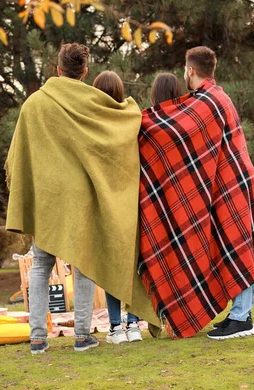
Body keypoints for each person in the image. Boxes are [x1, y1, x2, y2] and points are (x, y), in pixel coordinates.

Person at [5, 43, 159, 354]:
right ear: (84, 71)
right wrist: (132, 108)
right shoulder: (90, 102)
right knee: (85, 263)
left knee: (40, 266)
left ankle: (37, 338)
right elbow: (116, 128)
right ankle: (82, 337)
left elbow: (17, 155)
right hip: (78, 199)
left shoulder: (33, 105)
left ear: (57, 69)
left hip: (46, 198)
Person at [136, 46, 254, 340]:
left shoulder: (208, 100)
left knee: (236, 246)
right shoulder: (213, 97)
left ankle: (242, 318)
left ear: (190, 70)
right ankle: (239, 314)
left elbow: (174, 129)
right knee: (232, 247)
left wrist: (139, 123)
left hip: (231, 185)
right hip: (231, 183)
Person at [92, 71, 143, 344]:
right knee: (132, 265)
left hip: (105, 204)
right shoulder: (131, 117)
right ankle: (134, 325)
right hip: (132, 202)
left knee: (111, 266)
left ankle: (115, 328)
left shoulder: (93, 122)